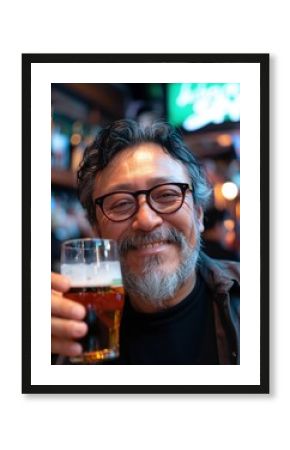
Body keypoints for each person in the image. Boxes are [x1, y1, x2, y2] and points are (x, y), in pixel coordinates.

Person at [51, 119, 240, 365]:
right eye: (120, 203)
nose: (146, 219)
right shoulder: (68, 331)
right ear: (96, 229)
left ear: (199, 214)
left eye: (167, 195)